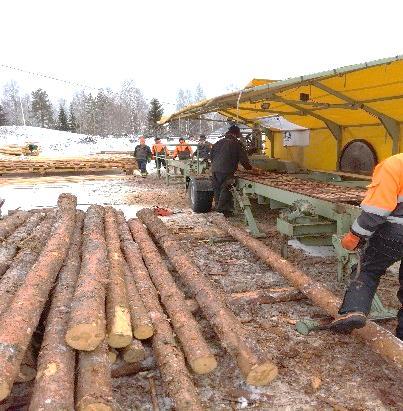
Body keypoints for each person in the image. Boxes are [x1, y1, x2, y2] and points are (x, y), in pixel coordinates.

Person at [329, 153, 403, 340]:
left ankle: (354, 310)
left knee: (368, 269)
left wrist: (355, 236)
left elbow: (376, 211)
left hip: (395, 233)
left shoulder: (395, 164)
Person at [210, 125, 258, 216]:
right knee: (226, 188)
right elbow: (243, 159)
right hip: (227, 170)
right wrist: (250, 169)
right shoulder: (236, 143)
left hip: (215, 169)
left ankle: (218, 206)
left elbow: (211, 156)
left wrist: (215, 165)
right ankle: (223, 211)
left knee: (217, 188)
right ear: (237, 133)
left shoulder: (218, 142)